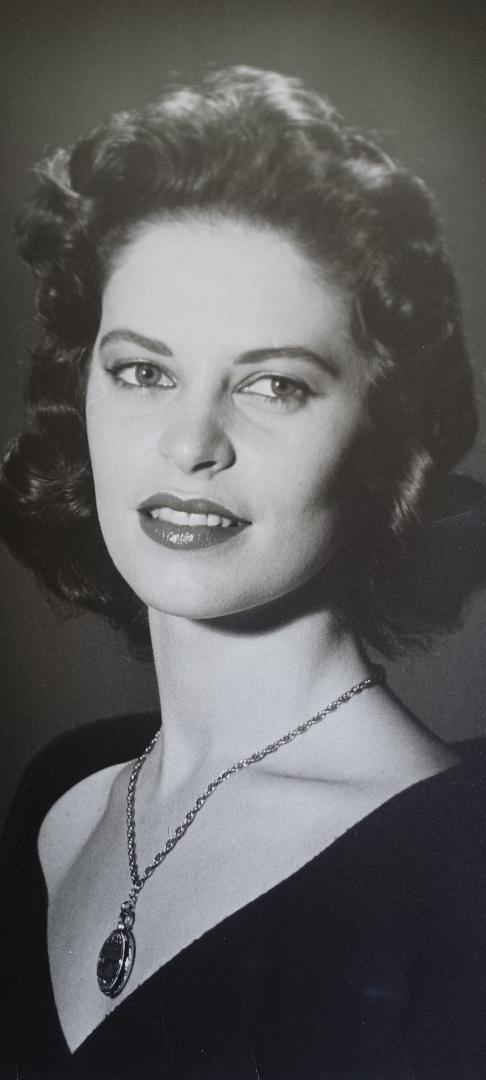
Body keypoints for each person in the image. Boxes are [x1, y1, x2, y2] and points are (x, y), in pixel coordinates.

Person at [1, 66, 485, 1079]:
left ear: (389, 439)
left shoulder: (458, 874)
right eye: (143, 371)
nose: (189, 443)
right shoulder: (61, 799)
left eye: (272, 385)